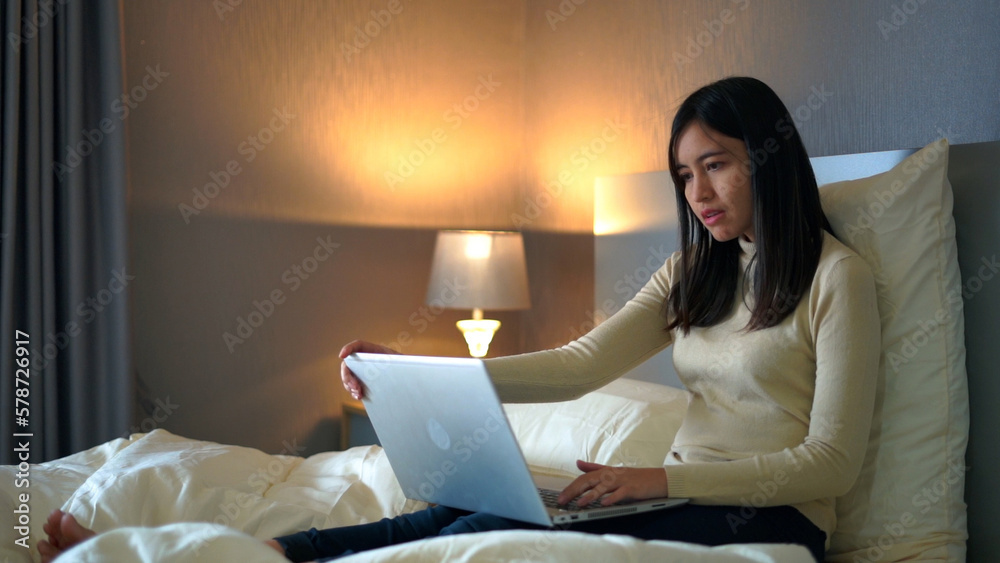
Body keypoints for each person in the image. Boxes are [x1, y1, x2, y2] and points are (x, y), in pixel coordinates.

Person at [38, 76, 879, 563]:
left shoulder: (839, 279)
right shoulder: (695, 273)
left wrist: (660, 479)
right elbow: (581, 363)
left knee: (488, 526)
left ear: (768, 158)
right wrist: (419, 370)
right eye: (684, 174)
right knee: (438, 516)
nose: (696, 194)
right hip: (668, 493)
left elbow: (831, 463)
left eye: (717, 166)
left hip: (773, 520)